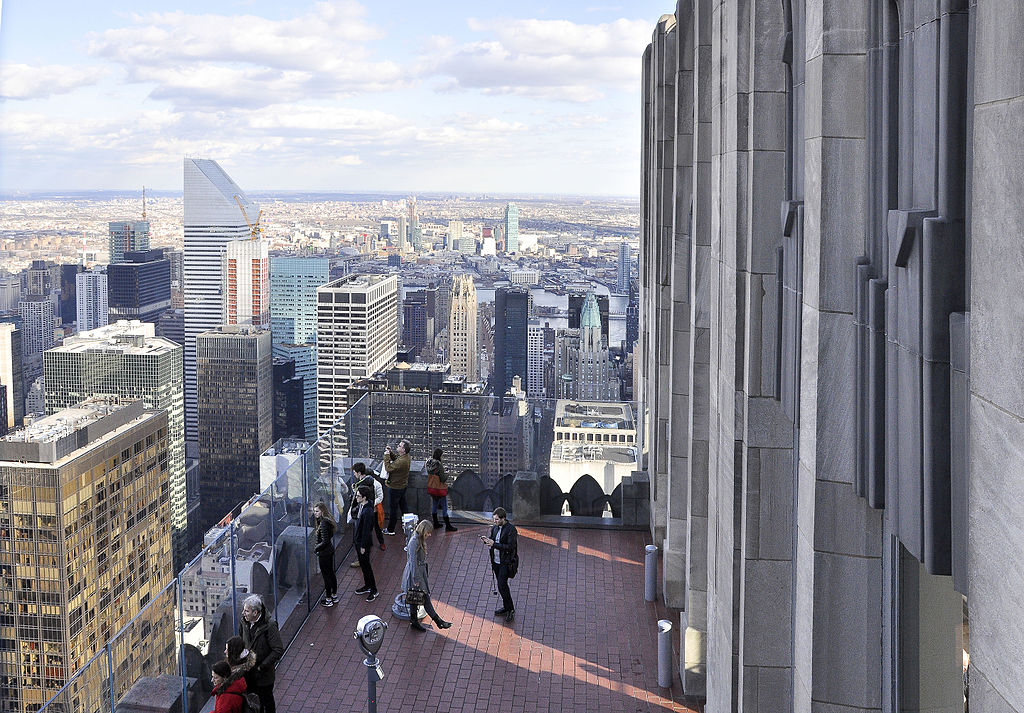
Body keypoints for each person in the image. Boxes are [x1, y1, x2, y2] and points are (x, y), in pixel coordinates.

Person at [402, 519, 453, 632]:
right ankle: (438, 621)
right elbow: (413, 562)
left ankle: (414, 620)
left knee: (414, 598)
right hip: (415, 575)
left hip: (417, 573)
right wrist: (416, 579)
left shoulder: (417, 539)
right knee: (424, 598)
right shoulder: (414, 542)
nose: (429, 535)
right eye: (428, 532)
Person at [238, 594, 284, 713]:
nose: (243, 613)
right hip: (248, 671)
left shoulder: (270, 626)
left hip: (263, 674)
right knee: (251, 701)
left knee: (266, 701)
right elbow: (240, 640)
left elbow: (278, 650)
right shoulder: (244, 622)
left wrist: (262, 667)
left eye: (246, 611)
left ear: (255, 612)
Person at [481, 507, 518, 621]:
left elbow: (510, 547)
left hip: (505, 562)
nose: (495, 522)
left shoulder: (511, 530)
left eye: (497, 519)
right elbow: (493, 540)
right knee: (502, 586)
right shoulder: (495, 528)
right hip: (496, 561)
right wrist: (487, 540)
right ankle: (507, 607)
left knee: (502, 585)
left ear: (503, 518)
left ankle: (510, 608)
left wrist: (494, 544)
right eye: (494, 519)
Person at [349, 462, 385, 570]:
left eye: (355, 473)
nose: (354, 475)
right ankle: (378, 544)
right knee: (370, 529)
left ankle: (378, 544)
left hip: (370, 510)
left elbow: (380, 497)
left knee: (373, 529)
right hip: (367, 509)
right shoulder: (361, 484)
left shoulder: (375, 484)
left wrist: (371, 503)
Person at [352, 485, 380, 601]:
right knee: (364, 566)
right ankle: (367, 585)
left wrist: (363, 545)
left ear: (364, 497)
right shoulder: (362, 505)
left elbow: (366, 530)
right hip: (359, 541)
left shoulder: (368, 511)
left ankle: (374, 589)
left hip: (363, 543)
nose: (356, 498)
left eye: (358, 496)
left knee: (366, 566)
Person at [382, 439, 411, 535]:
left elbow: (388, 468)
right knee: (403, 507)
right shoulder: (406, 457)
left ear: (403, 449)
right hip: (402, 486)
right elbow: (396, 461)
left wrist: (386, 456)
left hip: (395, 487)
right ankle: (408, 525)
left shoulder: (402, 461)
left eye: (399, 446)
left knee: (393, 509)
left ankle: (390, 529)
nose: (397, 446)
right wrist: (390, 453)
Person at [425, 448, 457, 532]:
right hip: (439, 489)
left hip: (432, 488)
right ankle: (448, 525)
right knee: (444, 507)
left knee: (434, 506)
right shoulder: (439, 465)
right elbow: (442, 478)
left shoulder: (429, 463)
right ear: (439, 456)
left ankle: (435, 523)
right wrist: (447, 473)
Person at [312, 501, 337, 606]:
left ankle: (328, 599)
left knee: (326, 575)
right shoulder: (328, 521)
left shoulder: (322, 523)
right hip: (329, 551)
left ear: (322, 511)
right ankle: (334, 595)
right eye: (314, 511)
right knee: (331, 573)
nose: (315, 513)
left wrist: (316, 549)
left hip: (324, 553)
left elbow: (324, 541)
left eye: (317, 511)